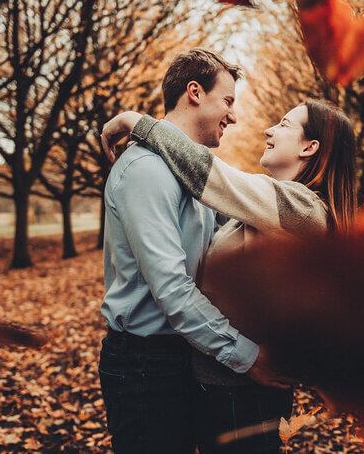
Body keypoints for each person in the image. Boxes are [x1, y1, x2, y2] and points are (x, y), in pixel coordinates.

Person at [101, 98, 357, 453]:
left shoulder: (303, 210)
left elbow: (211, 176)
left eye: (283, 124)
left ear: (309, 147)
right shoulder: (267, 212)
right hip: (221, 389)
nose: (269, 129)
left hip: (245, 396)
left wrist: (138, 122)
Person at [97, 48, 282, 454]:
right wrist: (248, 357)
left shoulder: (190, 177)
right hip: (145, 367)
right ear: (194, 92)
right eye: (228, 101)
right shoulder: (147, 171)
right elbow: (172, 289)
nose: (233, 116)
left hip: (184, 355)